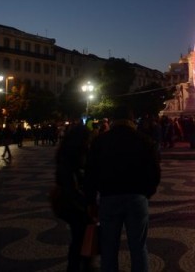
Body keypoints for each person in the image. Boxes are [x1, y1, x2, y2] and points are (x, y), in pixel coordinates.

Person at [85, 106, 161, 272]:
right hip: (136, 198)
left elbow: (90, 173)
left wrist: (91, 200)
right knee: (138, 247)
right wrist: (146, 193)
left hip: (109, 197)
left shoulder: (100, 141)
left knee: (109, 249)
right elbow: (155, 172)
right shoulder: (143, 140)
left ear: (113, 120)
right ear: (132, 120)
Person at [55, 121, 93, 271]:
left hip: (76, 204)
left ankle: (81, 265)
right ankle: (77, 267)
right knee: (79, 239)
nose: (89, 142)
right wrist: (85, 204)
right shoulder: (70, 159)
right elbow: (70, 186)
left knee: (80, 238)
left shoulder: (68, 154)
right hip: (75, 206)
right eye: (87, 139)